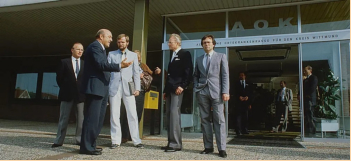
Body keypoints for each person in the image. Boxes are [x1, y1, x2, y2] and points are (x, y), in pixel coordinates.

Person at [79, 29, 132, 155]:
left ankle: (91, 145)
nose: (111, 39)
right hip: (95, 89)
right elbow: (101, 65)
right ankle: (86, 147)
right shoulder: (95, 47)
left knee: (98, 119)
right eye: (109, 37)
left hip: (101, 89)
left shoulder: (101, 49)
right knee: (92, 119)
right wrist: (119, 66)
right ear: (101, 36)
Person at [193, 34, 229, 158]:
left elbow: (225, 75)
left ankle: (222, 148)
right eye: (204, 43)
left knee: (219, 120)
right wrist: (196, 87)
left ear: (213, 44)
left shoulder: (221, 57)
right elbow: (195, 75)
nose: (206, 44)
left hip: (217, 92)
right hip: (202, 92)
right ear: (202, 45)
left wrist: (225, 91)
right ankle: (208, 147)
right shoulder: (198, 59)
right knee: (205, 120)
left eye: (208, 42)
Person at [108, 34, 144, 149]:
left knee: (132, 114)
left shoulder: (133, 55)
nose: (120, 44)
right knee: (114, 114)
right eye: (119, 42)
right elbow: (108, 71)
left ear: (127, 43)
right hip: (114, 87)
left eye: (123, 42)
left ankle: (136, 140)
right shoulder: (111, 54)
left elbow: (136, 73)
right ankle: (115, 141)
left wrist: (137, 88)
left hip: (128, 88)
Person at [120, 50, 161, 143]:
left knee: (138, 113)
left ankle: (132, 135)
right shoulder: (128, 64)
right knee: (127, 113)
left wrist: (156, 72)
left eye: (138, 56)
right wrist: (136, 76)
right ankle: (124, 135)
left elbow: (151, 74)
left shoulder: (142, 65)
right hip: (130, 90)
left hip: (141, 91)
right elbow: (123, 75)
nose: (137, 58)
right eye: (135, 56)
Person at [162, 33, 193, 152]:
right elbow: (170, 76)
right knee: (169, 115)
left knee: (175, 115)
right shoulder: (172, 55)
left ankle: (175, 144)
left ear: (178, 43)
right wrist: (165, 91)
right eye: (168, 42)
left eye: (170, 42)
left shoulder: (185, 54)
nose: (168, 44)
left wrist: (183, 85)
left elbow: (188, 71)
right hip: (170, 89)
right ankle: (171, 142)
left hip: (178, 88)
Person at [52, 42, 85, 148]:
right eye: (78, 49)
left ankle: (79, 139)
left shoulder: (85, 63)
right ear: (72, 50)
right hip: (67, 94)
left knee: (81, 119)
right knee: (63, 118)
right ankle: (59, 140)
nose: (80, 51)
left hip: (80, 96)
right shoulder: (64, 62)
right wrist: (66, 88)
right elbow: (59, 78)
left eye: (82, 50)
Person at [303, 65, 318, 136]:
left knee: (311, 114)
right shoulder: (305, 80)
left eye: (306, 71)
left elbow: (313, 88)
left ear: (310, 71)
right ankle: (308, 129)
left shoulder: (313, 78)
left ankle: (313, 130)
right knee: (307, 114)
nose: (304, 72)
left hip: (310, 99)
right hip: (306, 99)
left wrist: (307, 94)